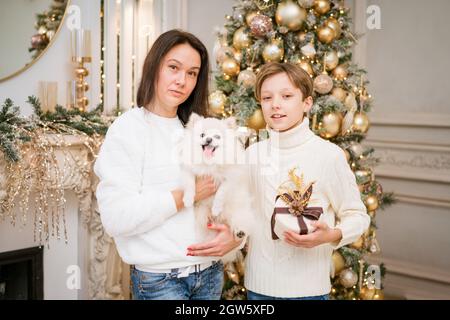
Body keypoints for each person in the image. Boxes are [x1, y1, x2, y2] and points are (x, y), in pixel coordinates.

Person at [94, 29, 242, 300]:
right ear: (154, 67)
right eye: (174, 67)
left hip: (210, 276)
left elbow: (237, 193)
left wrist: (236, 237)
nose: (182, 81)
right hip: (161, 282)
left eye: (192, 73)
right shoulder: (128, 129)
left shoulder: (202, 130)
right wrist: (186, 196)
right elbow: (116, 218)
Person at [242, 62, 370, 300]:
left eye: (287, 96)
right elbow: (242, 215)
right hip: (258, 288)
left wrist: (331, 235)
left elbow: (358, 215)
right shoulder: (252, 155)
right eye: (267, 97)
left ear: (307, 103)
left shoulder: (328, 156)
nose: (276, 104)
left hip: (308, 291)